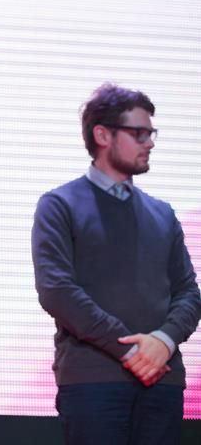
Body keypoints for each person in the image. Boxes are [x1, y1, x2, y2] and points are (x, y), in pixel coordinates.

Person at [31, 83, 201, 444]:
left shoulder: (162, 213)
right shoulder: (60, 205)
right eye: (139, 133)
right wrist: (130, 350)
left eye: (151, 133)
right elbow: (57, 291)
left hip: (162, 379)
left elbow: (189, 293)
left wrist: (164, 341)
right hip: (93, 380)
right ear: (103, 135)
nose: (149, 143)